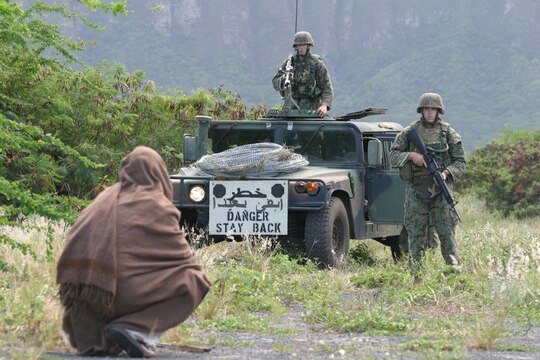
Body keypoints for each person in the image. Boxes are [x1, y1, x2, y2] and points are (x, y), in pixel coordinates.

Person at [57, 146, 212, 357]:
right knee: (195, 279)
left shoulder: (103, 199)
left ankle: (99, 333)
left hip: (83, 296)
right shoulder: (156, 204)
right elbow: (184, 261)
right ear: (159, 173)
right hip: (115, 297)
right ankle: (136, 330)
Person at [389, 93, 465, 280]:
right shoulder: (409, 132)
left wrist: (446, 173)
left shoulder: (449, 133)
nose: (430, 112)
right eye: (426, 109)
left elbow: (460, 162)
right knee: (415, 236)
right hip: (416, 190)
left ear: (439, 111)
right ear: (421, 110)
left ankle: (454, 276)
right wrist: (411, 156)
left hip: (440, 191)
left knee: (447, 235)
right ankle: (417, 278)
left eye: (433, 109)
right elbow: (393, 155)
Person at [272, 31, 334, 117]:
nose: (301, 48)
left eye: (303, 45)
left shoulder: (317, 64)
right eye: (299, 45)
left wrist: (324, 105)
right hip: (292, 108)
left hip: (313, 107)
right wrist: (284, 78)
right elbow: (275, 82)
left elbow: (327, 87)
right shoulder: (289, 63)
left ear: (308, 46)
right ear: (296, 47)